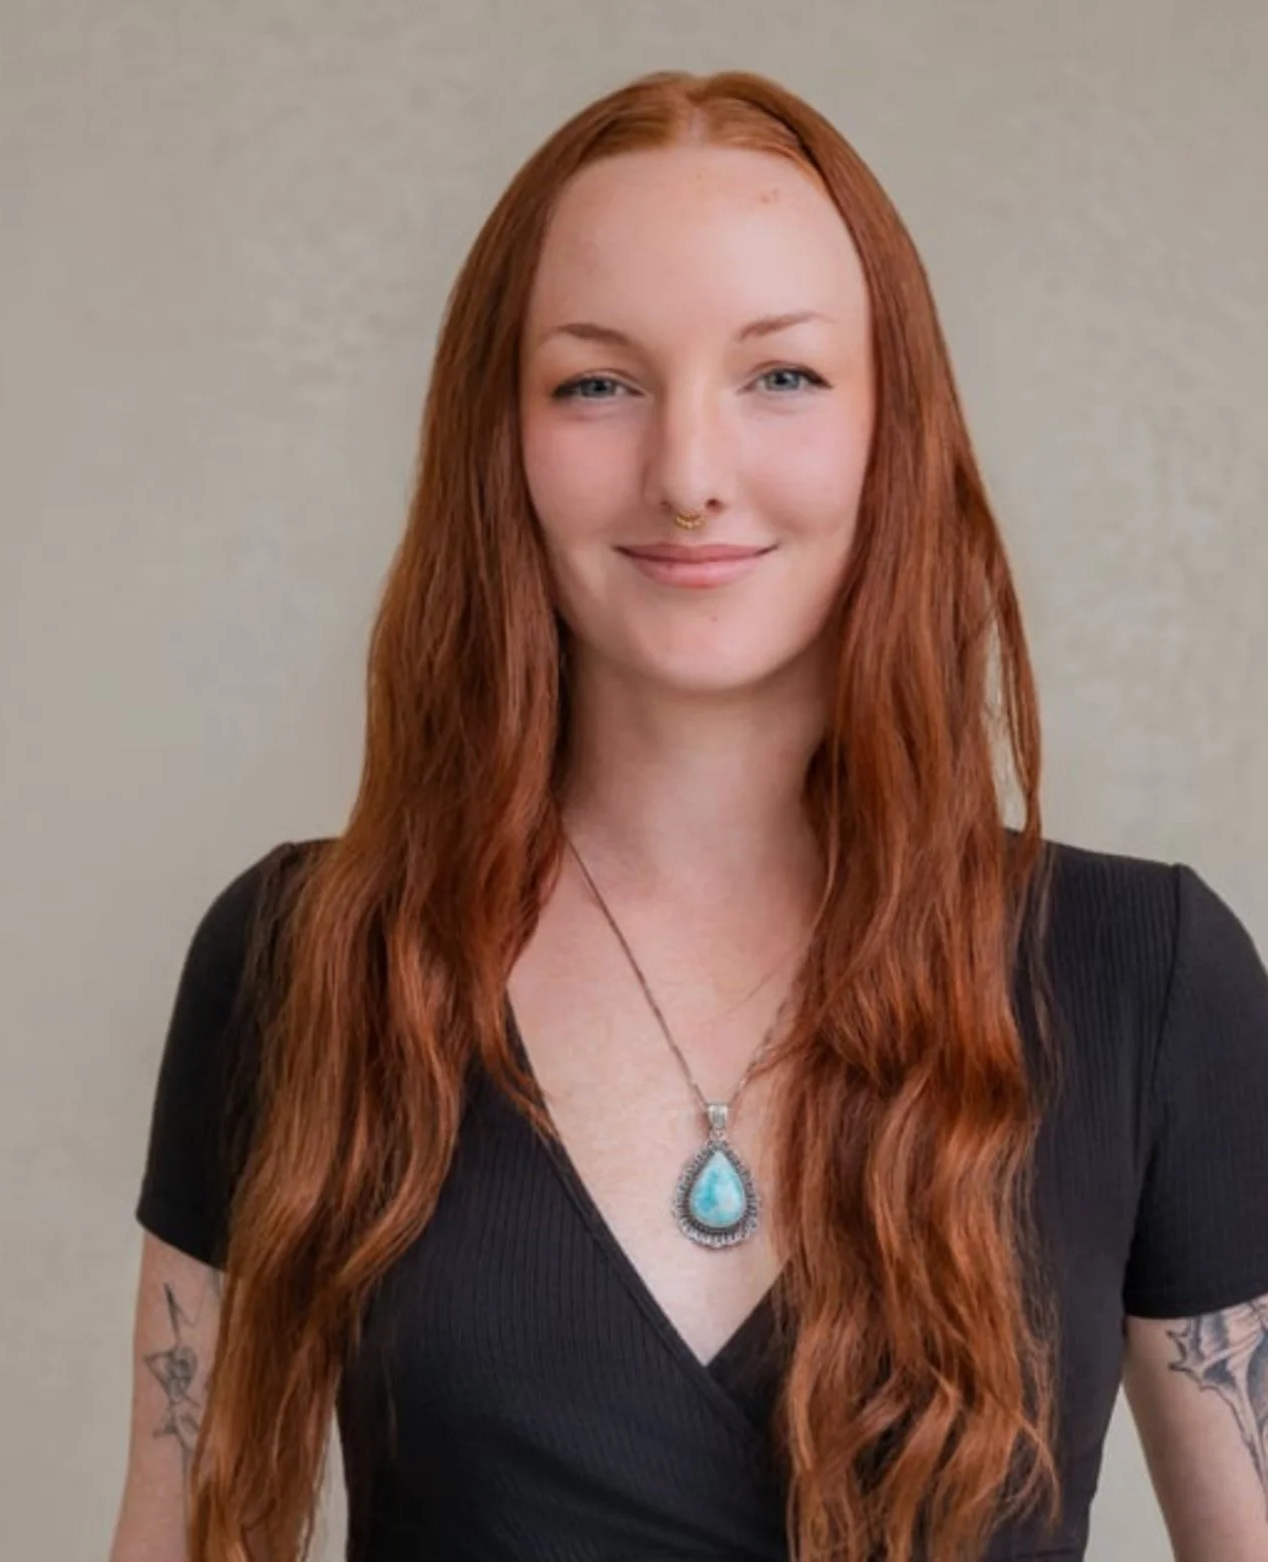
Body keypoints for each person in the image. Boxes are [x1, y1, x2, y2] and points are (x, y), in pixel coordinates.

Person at [108, 68, 1268, 1562]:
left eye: (780, 376)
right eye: (596, 381)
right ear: (498, 442)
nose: (688, 474)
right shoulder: (301, 959)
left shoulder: (1149, 980)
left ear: (887, 431)